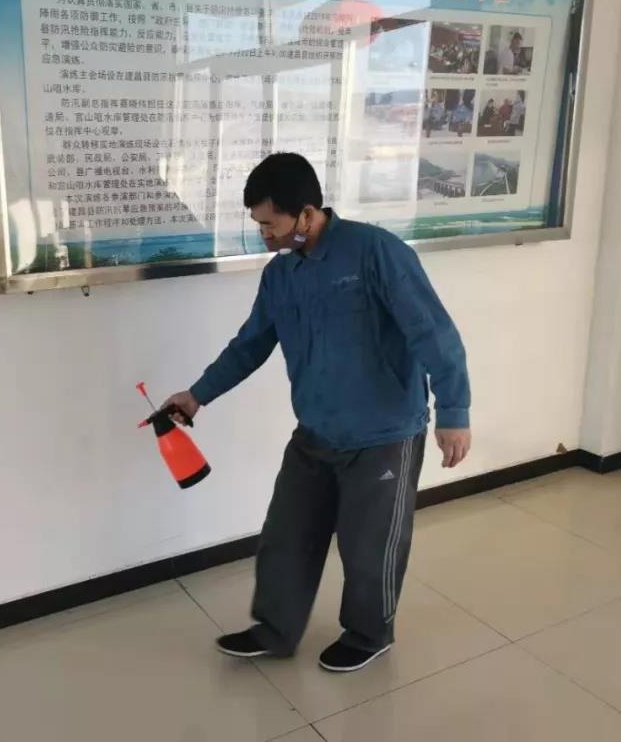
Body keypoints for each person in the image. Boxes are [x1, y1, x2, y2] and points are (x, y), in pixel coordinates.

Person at [164, 153, 471, 673]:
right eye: (258, 223)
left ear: (305, 214)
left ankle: (370, 633)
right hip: (315, 431)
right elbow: (250, 344)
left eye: (270, 223)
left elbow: (433, 332)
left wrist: (454, 411)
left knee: (370, 548)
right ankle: (275, 629)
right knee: (286, 536)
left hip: (384, 433)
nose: (263, 234)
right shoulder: (282, 274)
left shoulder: (375, 252)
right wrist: (196, 396)